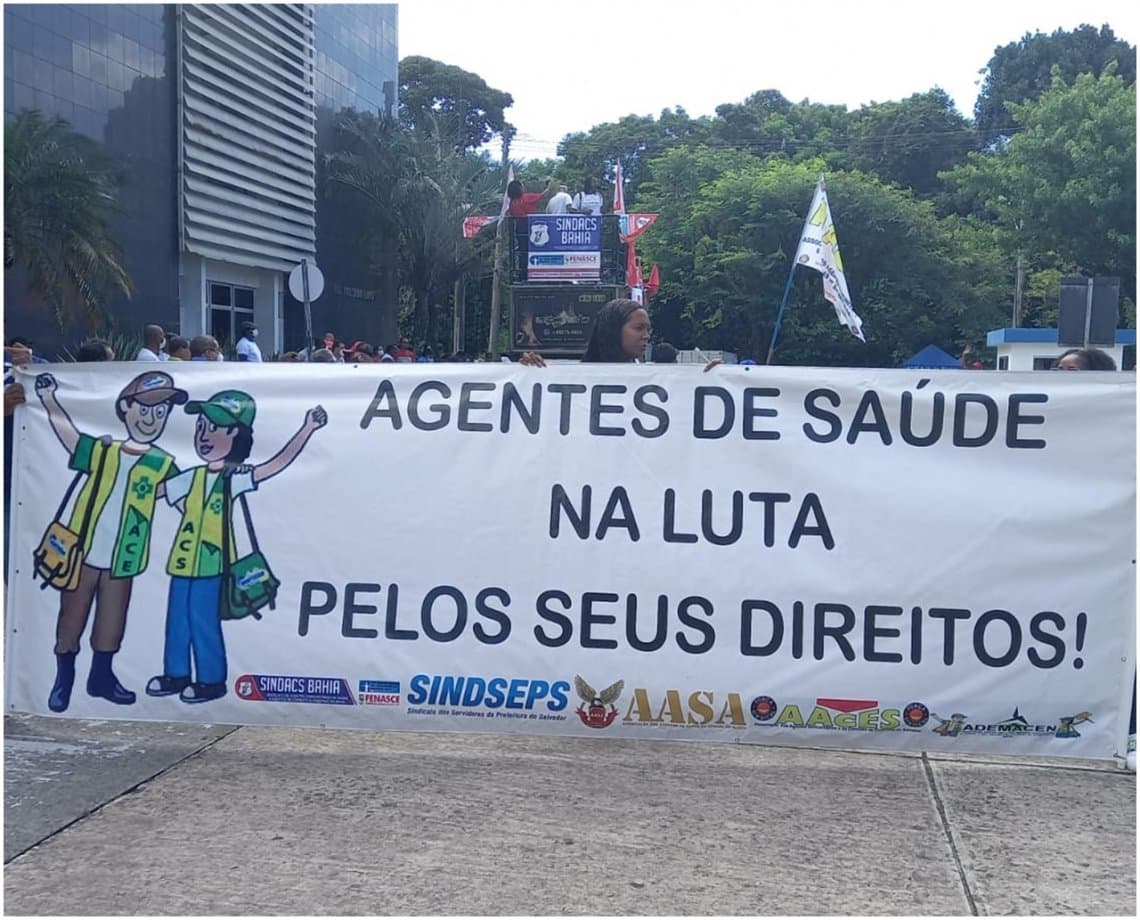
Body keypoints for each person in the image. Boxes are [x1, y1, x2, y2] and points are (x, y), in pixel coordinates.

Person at [146, 390, 327, 703]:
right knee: (177, 620)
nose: (204, 435)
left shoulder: (234, 478)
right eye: (201, 426)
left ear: (237, 436)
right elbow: (153, 492)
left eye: (215, 429)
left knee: (202, 622)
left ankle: (211, 679)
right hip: (181, 562)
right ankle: (175, 674)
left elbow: (274, 465)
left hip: (213, 565)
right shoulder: (191, 477)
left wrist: (307, 428)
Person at [33, 370, 189, 711]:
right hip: (81, 552)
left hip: (124, 559)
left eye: (161, 412)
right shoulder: (105, 450)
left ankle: (100, 677)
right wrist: (47, 399)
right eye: (145, 410)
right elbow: (70, 437)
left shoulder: (163, 462)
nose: (152, 419)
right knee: (71, 619)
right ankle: (64, 679)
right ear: (125, 409)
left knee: (111, 623)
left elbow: (184, 496)